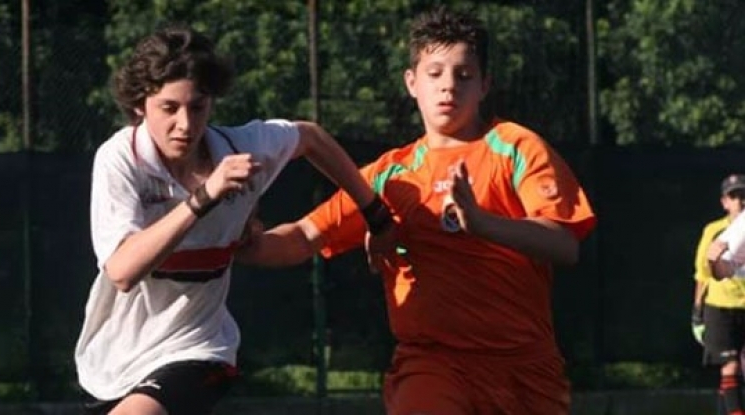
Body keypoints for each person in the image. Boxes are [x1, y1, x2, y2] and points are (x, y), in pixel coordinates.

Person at [236, 6, 595, 415]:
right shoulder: (391, 176)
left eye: (464, 75)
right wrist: (239, 242)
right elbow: (305, 236)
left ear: (485, 85)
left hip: (525, 370)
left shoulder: (517, 147)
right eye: (435, 73)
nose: (449, 87)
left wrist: (482, 224)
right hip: (433, 364)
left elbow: (565, 245)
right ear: (412, 82)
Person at [73, 24, 392, 415]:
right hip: (112, 361)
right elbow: (122, 271)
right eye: (169, 108)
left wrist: (375, 214)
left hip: (199, 349)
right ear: (140, 105)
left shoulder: (241, 148)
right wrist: (204, 197)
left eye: (198, 107)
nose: (185, 124)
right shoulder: (121, 160)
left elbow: (310, 137)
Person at [697, 174, 745, 415]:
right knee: (730, 366)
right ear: (725, 202)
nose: (740, 201)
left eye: (744, 196)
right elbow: (706, 274)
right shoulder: (717, 231)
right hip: (721, 306)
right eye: (734, 196)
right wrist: (697, 311)